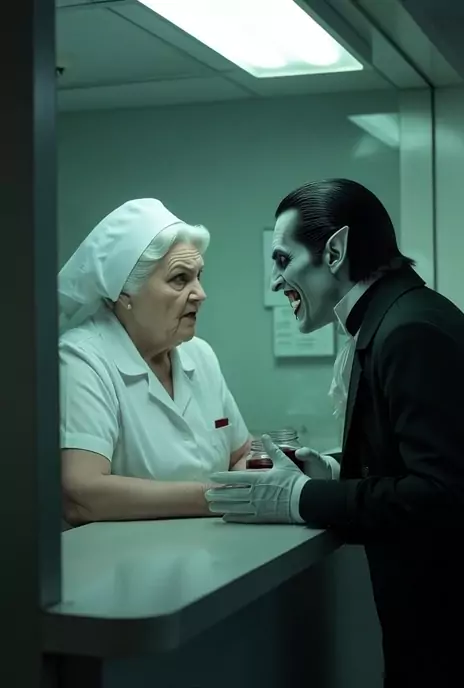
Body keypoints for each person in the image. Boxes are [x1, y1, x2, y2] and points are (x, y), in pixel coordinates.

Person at [205, 179, 464, 687]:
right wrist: (331, 470)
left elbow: (441, 497)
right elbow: (413, 461)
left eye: (283, 260)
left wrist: (300, 498)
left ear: (335, 251)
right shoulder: (398, 318)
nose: (275, 282)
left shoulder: (408, 331)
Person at [60, 198, 250, 526]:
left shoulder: (199, 354)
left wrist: (260, 479)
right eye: (180, 279)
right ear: (125, 294)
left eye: (199, 276)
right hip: (124, 557)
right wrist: (222, 496)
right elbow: (82, 494)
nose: (200, 293)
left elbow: (241, 453)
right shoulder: (81, 359)